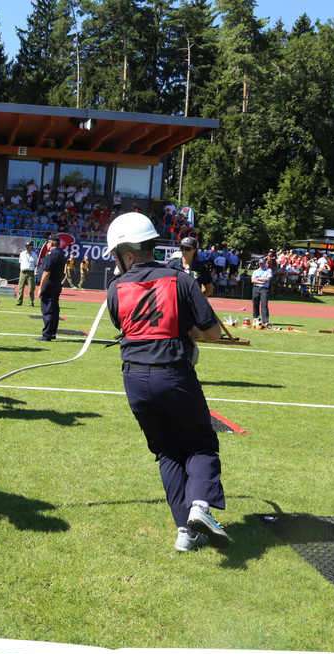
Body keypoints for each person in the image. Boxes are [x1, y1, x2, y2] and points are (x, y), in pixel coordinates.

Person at [105, 213, 230, 553]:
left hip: (134, 378)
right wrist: (191, 331)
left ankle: (185, 533)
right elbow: (214, 333)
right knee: (201, 443)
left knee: (167, 451)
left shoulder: (115, 288)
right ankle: (200, 506)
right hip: (173, 373)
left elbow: (122, 323)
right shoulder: (181, 280)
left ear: (128, 255)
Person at [36, 234, 67, 341]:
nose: (47, 245)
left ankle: (47, 335)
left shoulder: (51, 255)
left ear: (52, 243)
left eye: (48, 243)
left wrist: (40, 288)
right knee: (54, 310)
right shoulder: (61, 254)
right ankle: (52, 332)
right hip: (56, 284)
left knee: (48, 310)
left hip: (49, 284)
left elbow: (46, 273)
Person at [251, 257, 272, 327]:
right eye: (260, 264)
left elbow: (268, 279)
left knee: (264, 304)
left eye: (262, 263)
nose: (261, 265)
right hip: (256, 288)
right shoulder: (256, 271)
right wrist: (262, 280)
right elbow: (253, 280)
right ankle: (256, 318)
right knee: (255, 303)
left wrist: (259, 279)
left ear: (265, 263)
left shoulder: (268, 270)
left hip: (264, 289)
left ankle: (265, 320)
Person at [17, 242, 37, 306]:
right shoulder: (22, 254)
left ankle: (31, 302)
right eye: (26, 247)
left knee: (31, 288)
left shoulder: (34, 254)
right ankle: (19, 301)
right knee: (20, 287)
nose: (27, 248)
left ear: (31, 247)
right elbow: (20, 262)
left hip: (30, 272)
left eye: (29, 247)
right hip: (23, 272)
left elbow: (35, 264)